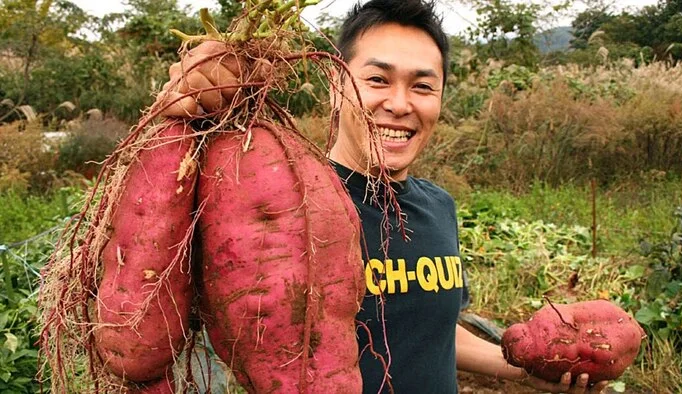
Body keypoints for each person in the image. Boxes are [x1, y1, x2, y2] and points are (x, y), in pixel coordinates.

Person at [158, 0, 609, 393]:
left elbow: (431, 331)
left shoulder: (438, 207)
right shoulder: (278, 209)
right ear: (337, 88)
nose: (399, 103)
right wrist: (184, 116)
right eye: (377, 80)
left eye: (423, 86)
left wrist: (521, 371)